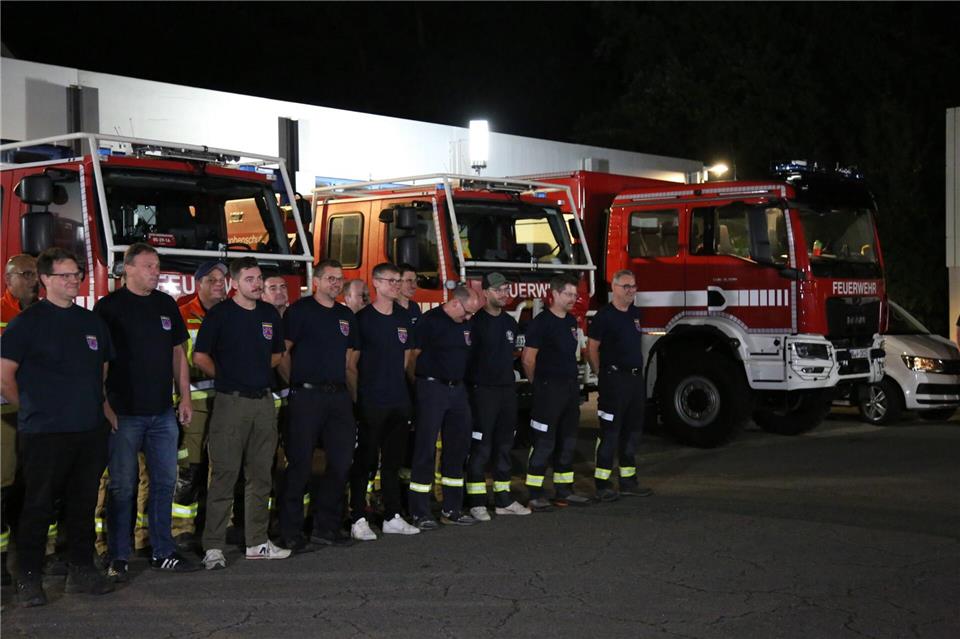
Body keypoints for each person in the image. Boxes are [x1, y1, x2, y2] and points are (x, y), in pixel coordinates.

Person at [1, 248, 115, 606]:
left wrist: (101, 408)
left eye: (76, 273)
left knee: (82, 504)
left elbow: (102, 368)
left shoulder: (91, 322)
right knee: (38, 505)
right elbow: (4, 375)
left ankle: (81, 568)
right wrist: (32, 408)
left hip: (88, 429)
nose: (73, 280)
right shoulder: (28, 322)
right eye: (65, 275)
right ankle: (29, 576)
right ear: (46, 279)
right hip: (45, 433)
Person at [94, 243, 200, 579]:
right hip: (124, 414)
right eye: (149, 266)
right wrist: (105, 405)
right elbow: (100, 363)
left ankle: (163, 550)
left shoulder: (166, 304)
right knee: (122, 487)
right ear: (129, 269)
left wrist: (184, 398)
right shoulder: (108, 308)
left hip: (161, 414)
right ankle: (119, 555)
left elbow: (178, 355)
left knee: (165, 484)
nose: (156, 271)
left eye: (157, 266)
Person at [193, 257, 290, 569]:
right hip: (230, 403)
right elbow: (199, 356)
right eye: (250, 279)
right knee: (224, 475)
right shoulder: (220, 315)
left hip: (262, 402)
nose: (257, 284)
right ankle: (213, 548)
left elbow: (277, 355)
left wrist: (255, 374)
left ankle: (257, 542)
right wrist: (227, 378)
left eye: (259, 278)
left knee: (261, 475)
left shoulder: (268, 315)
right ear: (234, 283)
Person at [277, 260, 358, 551]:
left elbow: (350, 360)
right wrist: (296, 384)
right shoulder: (300, 311)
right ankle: (291, 531)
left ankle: (327, 527)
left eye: (339, 279)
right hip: (306, 397)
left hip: (338, 398)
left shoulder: (345, 315)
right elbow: (283, 352)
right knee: (299, 465)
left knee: (339, 462)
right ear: (317, 282)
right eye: (331, 279)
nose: (336, 284)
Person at [348, 263, 421, 539]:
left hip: (397, 402)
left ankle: (392, 515)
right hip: (371, 402)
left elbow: (405, 360)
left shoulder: (403, 317)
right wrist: (359, 399)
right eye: (390, 281)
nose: (395, 285)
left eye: (397, 281)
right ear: (375, 283)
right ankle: (358, 518)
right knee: (365, 461)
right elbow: (351, 364)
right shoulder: (363, 319)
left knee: (392, 462)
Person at [406, 285, 484, 529]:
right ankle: (419, 510)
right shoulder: (429, 322)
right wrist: (418, 387)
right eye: (467, 313)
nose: (469, 318)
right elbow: (411, 359)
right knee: (425, 449)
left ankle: (452, 508)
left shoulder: (466, 324)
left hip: (457, 390)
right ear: (455, 303)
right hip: (432, 388)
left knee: (457, 449)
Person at [521, 274, 592, 511]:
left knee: (567, 440)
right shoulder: (541, 322)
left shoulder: (571, 322)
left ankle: (564, 490)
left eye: (575, 294)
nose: (574, 299)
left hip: (569, 390)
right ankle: (535, 493)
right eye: (569, 294)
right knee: (544, 442)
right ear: (555, 294)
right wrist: (538, 385)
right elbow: (528, 359)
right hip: (548, 391)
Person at [464, 274, 531, 519]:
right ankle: (477, 502)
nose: (504, 294)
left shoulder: (509, 323)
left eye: (506, 289)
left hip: (506, 392)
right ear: (486, 292)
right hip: (482, 392)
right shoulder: (475, 323)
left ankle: (503, 500)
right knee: (481, 447)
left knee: (504, 446)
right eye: (499, 290)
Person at [172, 260, 228, 549]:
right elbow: (179, 359)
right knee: (189, 468)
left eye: (223, 279)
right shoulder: (183, 315)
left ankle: (220, 524)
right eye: (212, 280)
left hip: (225, 400)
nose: (220, 284)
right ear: (198, 284)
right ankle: (182, 528)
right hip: (194, 400)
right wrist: (182, 398)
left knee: (222, 465)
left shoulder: (230, 314)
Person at [586, 270, 653, 502]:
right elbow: (592, 348)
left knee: (632, 432)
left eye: (634, 286)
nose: (631, 290)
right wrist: (601, 374)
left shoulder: (635, 313)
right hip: (614, 381)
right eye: (626, 286)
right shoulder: (605, 316)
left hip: (634, 381)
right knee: (610, 433)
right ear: (614, 288)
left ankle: (628, 482)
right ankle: (602, 484)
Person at [1, 254, 40, 586]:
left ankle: (45, 550)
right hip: (6, 414)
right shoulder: (2, 314)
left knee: (36, 486)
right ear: (8, 279)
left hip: (38, 415)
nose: (33, 280)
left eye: (36, 275)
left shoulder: (42, 314)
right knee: (3, 487)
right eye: (26, 274)